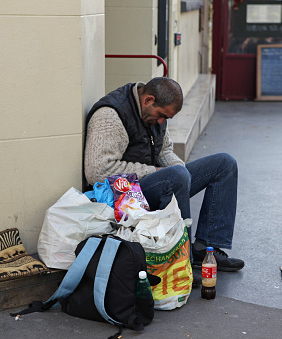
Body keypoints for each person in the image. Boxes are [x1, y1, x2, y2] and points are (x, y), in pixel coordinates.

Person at [84, 77, 245, 273]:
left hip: (154, 183)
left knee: (224, 163)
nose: (161, 121)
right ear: (148, 100)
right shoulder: (110, 115)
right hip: (124, 196)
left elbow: (164, 151)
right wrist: (158, 172)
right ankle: (183, 261)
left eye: (166, 119)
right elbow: (97, 171)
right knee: (176, 175)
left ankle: (206, 249)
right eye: (161, 115)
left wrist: (180, 170)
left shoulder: (154, 112)